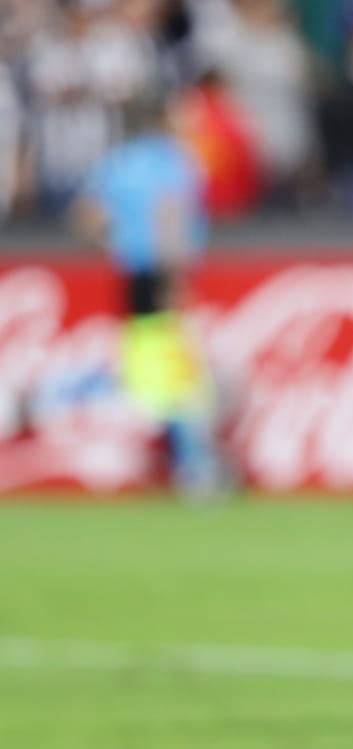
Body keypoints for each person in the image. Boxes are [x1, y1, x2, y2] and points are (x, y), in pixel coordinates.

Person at [70, 86, 219, 497]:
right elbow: (170, 216)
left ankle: (43, 401)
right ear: (163, 120)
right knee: (178, 376)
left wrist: (119, 246)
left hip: (132, 276)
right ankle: (195, 469)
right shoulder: (174, 161)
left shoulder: (118, 162)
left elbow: (86, 219)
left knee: (144, 369)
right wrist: (175, 280)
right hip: (162, 277)